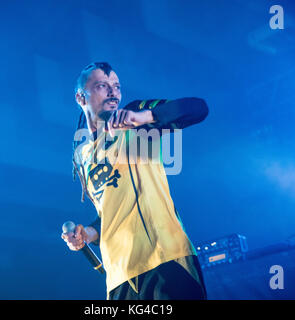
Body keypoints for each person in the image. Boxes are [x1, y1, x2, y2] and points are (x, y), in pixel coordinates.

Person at [61, 62, 209, 300]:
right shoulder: (82, 156)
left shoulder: (134, 117)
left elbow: (197, 108)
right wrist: (87, 233)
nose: (113, 92)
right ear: (81, 98)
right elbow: (109, 213)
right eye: (102, 86)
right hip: (119, 278)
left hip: (165, 260)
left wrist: (142, 116)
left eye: (116, 86)